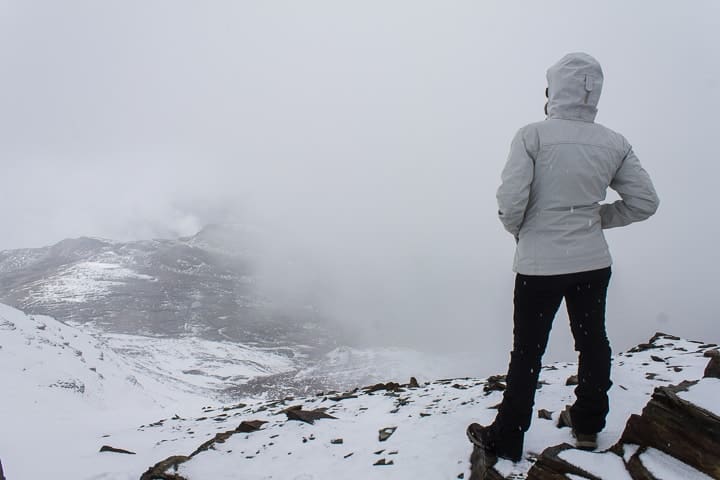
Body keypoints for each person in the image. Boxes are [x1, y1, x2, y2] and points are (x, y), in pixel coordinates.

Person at [466, 52, 659, 462]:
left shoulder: (532, 136)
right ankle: (588, 424)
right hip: (592, 262)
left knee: (528, 350)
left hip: (540, 266)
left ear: (553, 89)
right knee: (593, 342)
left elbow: (510, 201)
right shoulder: (615, 142)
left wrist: (523, 231)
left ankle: (508, 436)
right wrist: (594, 218)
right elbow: (644, 202)